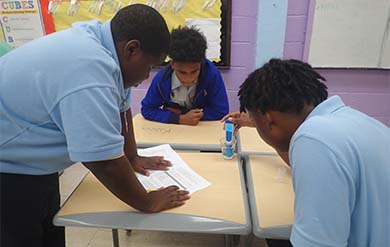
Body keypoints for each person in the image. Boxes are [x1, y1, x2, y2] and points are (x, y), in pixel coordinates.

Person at [0, 4, 190, 247]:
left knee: (51, 232)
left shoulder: (105, 46)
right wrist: (147, 201)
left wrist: (132, 157)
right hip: (9, 169)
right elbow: (102, 161)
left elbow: (123, 109)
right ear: (132, 49)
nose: (147, 76)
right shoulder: (89, 69)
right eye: (150, 67)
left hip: (35, 165)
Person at [236, 58, 390, 246]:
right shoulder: (352, 120)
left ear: (268, 120)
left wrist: (269, 132)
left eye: (255, 120)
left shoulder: (313, 139)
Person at [141, 26, 229, 125]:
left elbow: (221, 111)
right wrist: (178, 118)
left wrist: (184, 114)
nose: (188, 79)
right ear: (172, 64)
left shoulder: (212, 74)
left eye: (194, 71)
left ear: (201, 63)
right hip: (174, 132)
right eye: (182, 72)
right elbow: (147, 109)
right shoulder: (162, 79)